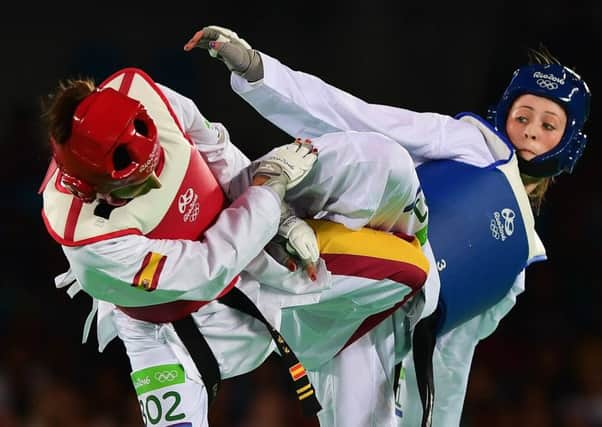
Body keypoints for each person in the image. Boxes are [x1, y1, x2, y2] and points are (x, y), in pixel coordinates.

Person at [184, 25, 591, 426]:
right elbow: (360, 119)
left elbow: (449, 357)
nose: (530, 130)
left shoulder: (517, 263)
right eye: (523, 116)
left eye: (548, 125)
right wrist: (261, 74)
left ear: (568, 143)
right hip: (375, 230)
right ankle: (268, 193)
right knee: (383, 157)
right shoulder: (471, 143)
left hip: (380, 317)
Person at [39, 65, 430, 427]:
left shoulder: (145, 96)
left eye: (156, 166)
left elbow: (217, 152)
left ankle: (346, 348)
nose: (157, 183)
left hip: (241, 248)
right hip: (169, 326)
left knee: (409, 268)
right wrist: (267, 192)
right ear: (92, 189)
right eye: (137, 186)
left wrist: (282, 217)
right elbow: (208, 269)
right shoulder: (89, 240)